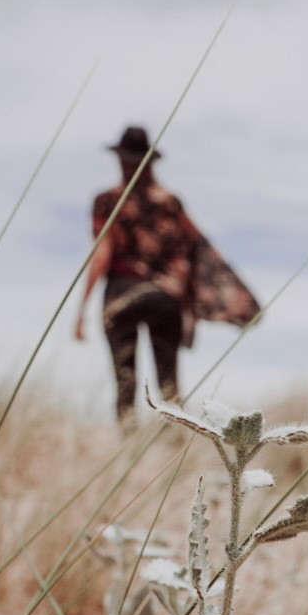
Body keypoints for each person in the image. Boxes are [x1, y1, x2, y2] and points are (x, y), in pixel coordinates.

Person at [74, 125, 260, 423]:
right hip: (166, 296)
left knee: (125, 378)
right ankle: (170, 450)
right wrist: (190, 300)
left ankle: (128, 449)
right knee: (168, 382)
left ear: (122, 160)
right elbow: (193, 251)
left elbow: (102, 254)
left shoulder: (107, 201)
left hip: (122, 291)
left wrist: (81, 310)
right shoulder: (169, 202)